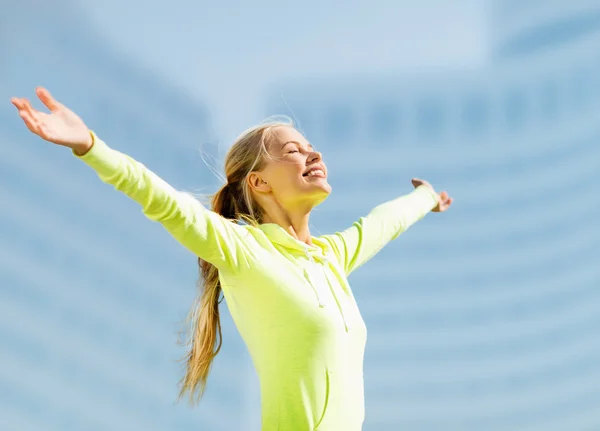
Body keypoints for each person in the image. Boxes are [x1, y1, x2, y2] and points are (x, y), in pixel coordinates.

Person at [11, 87, 453, 431]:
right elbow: (163, 200)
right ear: (259, 182)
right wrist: (90, 145)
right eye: (293, 150)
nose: (313, 154)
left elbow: (383, 221)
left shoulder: (331, 258)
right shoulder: (242, 250)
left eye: (311, 146)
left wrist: (425, 197)